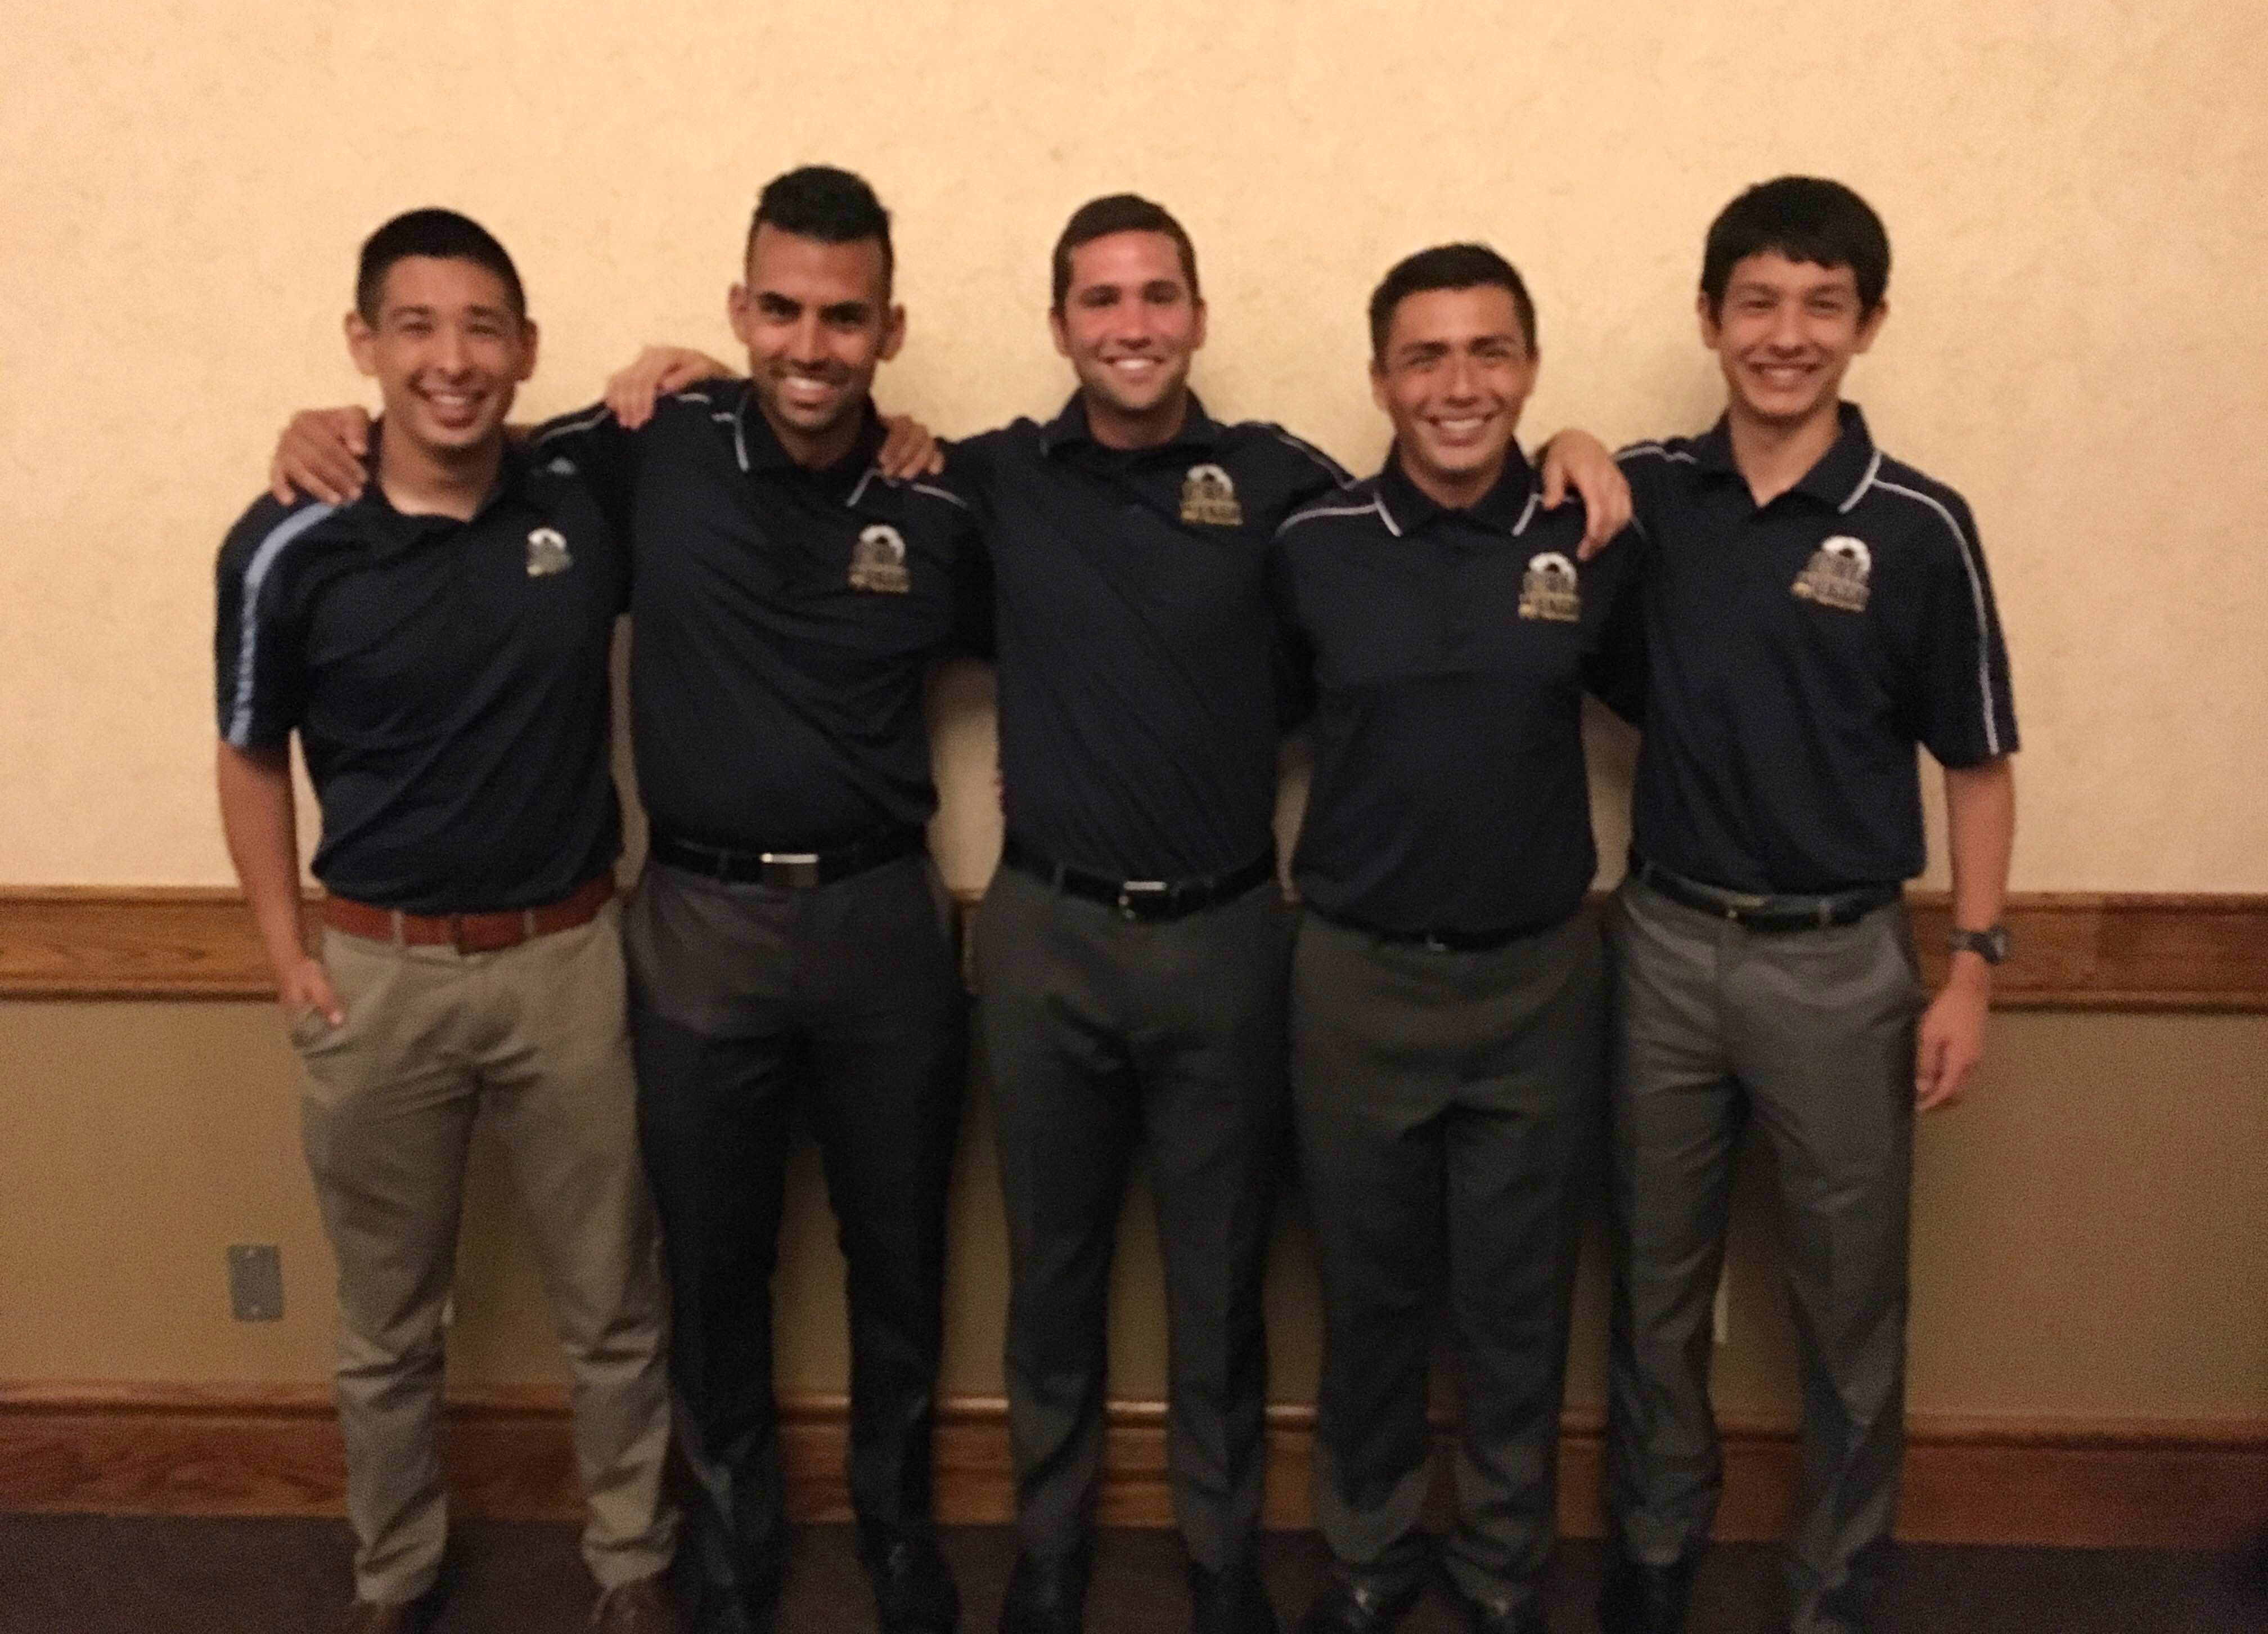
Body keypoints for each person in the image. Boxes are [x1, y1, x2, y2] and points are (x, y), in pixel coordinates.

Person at [604, 195, 1630, 1634]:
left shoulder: (1284, 486)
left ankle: (1218, 1557)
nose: (1132, 326)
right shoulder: (984, 481)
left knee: (1217, 1280)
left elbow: (1439, 513)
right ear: (1059, 327)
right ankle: (1049, 1549)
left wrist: (1568, 448)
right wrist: (687, 373)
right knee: (1055, 1270)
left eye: (1158, 297)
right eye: (1100, 301)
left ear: (1198, 317)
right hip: (1043, 934)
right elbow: (817, 441)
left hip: (1226, 936)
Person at [267, 168, 985, 1634]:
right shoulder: (651, 447)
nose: (809, 343)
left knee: (898, 1248)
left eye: (843, 318)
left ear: (889, 328)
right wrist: (323, 427)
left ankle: (901, 1527)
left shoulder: (937, 493)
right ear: (736, 310)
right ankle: (726, 1537)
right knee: (712, 1258)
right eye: (777, 310)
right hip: (698, 925)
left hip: (883, 922)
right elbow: (466, 440)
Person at [215, 209, 680, 1634]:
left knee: (613, 1304)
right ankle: (397, 1573)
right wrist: (287, 955)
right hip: (376, 974)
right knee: (386, 1327)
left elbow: (740, 388)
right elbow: (248, 755)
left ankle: (633, 1567)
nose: (452, 360)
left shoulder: (578, 490)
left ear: (526, 349)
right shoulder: (288, 539)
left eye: (484, 327)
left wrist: (679, 359)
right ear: (363, 345)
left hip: (567, 962)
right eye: (414, 327)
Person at [1600, 177, 2019, 1634]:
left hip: (1843, 964)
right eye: (1759, 303)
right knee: (1658, 1292)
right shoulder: (1649, 493)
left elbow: (1977, 762)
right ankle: (1654, 1556)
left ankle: (1836, 1586)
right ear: (1709, 317)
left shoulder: (1917, 528)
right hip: (1661, 941)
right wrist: (1576, 442)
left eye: (1822, 306)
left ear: (1869, 324)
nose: (1788, 336)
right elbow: (1542, 502)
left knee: (1849, 1311)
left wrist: (1970, 968)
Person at [1271, 244, 1640, 1634]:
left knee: (1516, 1301)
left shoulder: (1588, 533)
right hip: (1357, 976)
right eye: (1425, 356)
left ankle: (1497, 1564)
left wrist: (1587, 450)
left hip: (1539, 977)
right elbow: (1227, 707)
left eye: (1489, 352)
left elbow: (1680, 693)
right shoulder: (1308, 544)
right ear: (1380, 379)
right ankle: (1367, 1550)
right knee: (1366, 1299)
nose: (1458, 383)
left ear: (1530, 371)